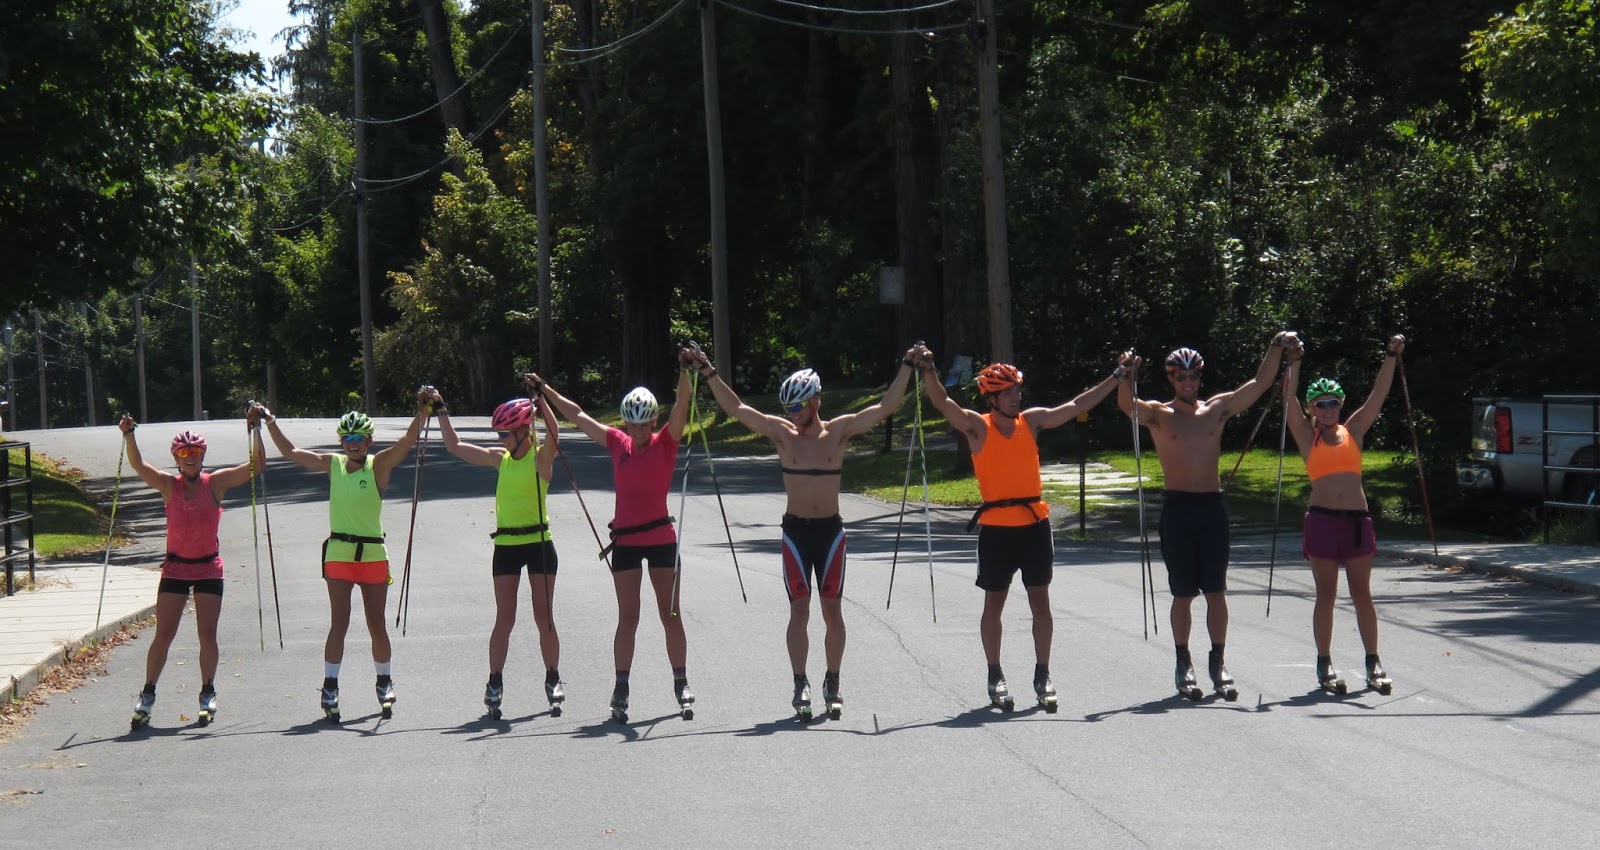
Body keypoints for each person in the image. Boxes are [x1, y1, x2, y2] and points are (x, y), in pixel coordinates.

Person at [685, 344, 917, 718]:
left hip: (830, 533)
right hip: (795, 532)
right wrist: (708, 371)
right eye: (788, 408)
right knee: (799, 608)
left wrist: (907, 364)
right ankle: (800, 682)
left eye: (797, 407)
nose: (792, 415)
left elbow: (886, 407)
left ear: (815, 402)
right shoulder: (783, 434)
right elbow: (738, 410)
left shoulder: (838, 432)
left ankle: (833, 681)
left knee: (832, 609)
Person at [916, 348, 1134, 711]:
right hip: (997, 530)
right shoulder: (978, 426)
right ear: (992, 398)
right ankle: (995, 673)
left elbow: (1076, 405)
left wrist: (1116, 377)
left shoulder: (1030, 422)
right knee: (994, 603)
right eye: (1008, 392)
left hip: (1034, 525)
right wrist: (928, 371)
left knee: (1040, 602)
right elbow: (944, 404)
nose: (1016, 396)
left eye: (1017, 389)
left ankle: (1043, 674)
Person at [1117, 331, 1300, 699]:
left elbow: (1260, 384)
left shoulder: (1216, 409)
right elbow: (1127, 406)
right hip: (1178, 509)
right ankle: (1183, 661)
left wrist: (1276, 347)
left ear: (1200, 377)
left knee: (1216, 591)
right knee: (1183, 593)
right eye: (1181, 377)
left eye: (1194, 376)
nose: (1188, 383)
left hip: (1211, 508)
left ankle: (1218, 662)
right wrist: (1125, 374)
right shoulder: (1159, 414)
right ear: (1171, 379)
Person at [534, 360, 694, 722]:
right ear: (625, 424)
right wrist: (545, 391)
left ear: (653, 421)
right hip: (627, 542)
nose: (638, 430)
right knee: (628, 617)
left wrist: (685, 370)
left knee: (670, 614)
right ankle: (621, 687)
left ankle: (681, 682)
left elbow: (682, 405)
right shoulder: (617, 443)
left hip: (661, 539)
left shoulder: (666, 443)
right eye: (632, 424)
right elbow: (578, 416)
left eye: (644, 423)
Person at [255, 396, 429, 721]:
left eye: (358, 437)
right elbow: (292, 453)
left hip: (373, 554)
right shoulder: (333, 465)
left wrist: (423, 412)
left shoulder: (378, 465)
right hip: (339, 553)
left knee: (376, 623)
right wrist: (269, 420)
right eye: (347, 438)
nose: (352, 443)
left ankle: (384, 681)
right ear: (341, 441)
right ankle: (330, 685)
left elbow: (407, 442)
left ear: (368, 440)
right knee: (340, 622)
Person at [428, 383, 564, 718]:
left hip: (538, 544)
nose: (501, 439)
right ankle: (494, 682)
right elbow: (454, 446)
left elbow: (555, 433)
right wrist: (441, 408)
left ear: (523, 431)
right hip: (506, 545)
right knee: (505, 618)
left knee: (544, 617)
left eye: (505, 434)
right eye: (500, 434)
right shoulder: (499, 459)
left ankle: (553, 677)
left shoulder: (540, 459)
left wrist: (541, 398)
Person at [121, 416, 264, 729]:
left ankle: (207, 692)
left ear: (203, 456)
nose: (190, 458)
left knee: (207, 635)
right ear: (176, 458)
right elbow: (139, 466)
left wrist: (256, 430)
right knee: (164, 635)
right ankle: (147, 694)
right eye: (184, 454)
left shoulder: (216, 484)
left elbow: (256, 466)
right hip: (176, 568)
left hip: (208, 568)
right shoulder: (168, 485)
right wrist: (129, 435)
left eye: (195, 453)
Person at [1284, 334, 1405, 694]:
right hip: (1322, 520)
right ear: (1311, 408)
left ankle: (1373, 661)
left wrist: (1390, 355)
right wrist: (1294, 361)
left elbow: (1378, 396)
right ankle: (1324, 661)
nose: (1328, 409)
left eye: (1333, 403)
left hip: (1356, 522)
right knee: (1326, 594)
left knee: (1362, 594)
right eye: (1320, 404)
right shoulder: (1306, 435)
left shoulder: (1353, 430)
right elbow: (1287, 399)